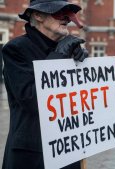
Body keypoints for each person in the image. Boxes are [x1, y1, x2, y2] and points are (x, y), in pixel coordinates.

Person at [1, 0, 88, 169]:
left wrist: (82, 65)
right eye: (58, 12)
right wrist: (59, 55)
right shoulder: (16, 49)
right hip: (33, 156)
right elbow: (33, 100)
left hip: (68, 150)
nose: (66, 18)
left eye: (68, 14)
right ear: (38, 15)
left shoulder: (69, 49)